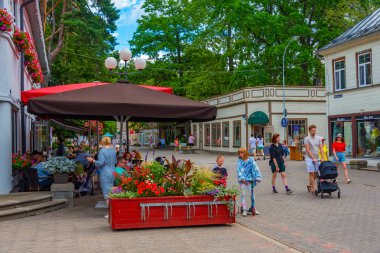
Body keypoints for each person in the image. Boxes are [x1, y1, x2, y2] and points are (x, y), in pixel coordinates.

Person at [87, 137, 117, 203]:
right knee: (111, 191)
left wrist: (92, 160)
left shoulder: (102, 151)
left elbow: (101, 162)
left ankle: (109, 212)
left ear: (102, 142)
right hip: (113, 171)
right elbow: (115, 162)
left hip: (105, 172)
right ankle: (111, 211)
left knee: (107, 194)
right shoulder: (113, 150)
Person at [237, 148, 262, 216]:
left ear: (245, 153)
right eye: (239, 153)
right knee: (243, 194)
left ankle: (253, 207)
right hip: (242, 180)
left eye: (241, 153)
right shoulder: (239, 161)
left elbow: (256, 168)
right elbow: (238, 170)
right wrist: (242, 178)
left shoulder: (251, 159)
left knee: (252, 195)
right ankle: (244, 209)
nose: (240, 154)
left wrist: (257, 177)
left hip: (250, 179)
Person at [304, 124, 326, 193]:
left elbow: (321, 148)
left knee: (316, 174)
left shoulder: (319, 138)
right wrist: (313, 158)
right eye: (313, 130)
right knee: (311, 173)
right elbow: (307, 149)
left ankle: (309, 185)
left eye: (315, 130)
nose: (314, 131)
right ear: (309, 131)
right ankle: (313, 189)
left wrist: (322, 157)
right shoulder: (307, 139)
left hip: (317, 158)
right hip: (309, 158)